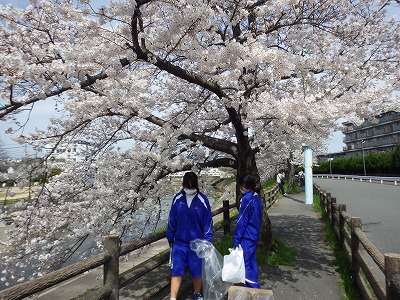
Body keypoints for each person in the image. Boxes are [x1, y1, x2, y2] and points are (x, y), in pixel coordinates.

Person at [166, 171, 214, 300]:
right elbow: (172, 220)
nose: (189, 189)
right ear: (183, 185)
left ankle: (197, 294)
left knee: (196, 271)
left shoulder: (202, 200)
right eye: (187, 186)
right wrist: (170, 236)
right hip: (179, 243)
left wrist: (207, 240)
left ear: (196, 185)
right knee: (176, 270)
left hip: (196, 244)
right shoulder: (177, 199)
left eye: (192, 186)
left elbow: (208, 222)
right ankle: (173, 297)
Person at [232, 174, 262, 289]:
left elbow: (241, 222)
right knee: (251, 262)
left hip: (247, 236)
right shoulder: (256, 198)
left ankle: (254, 289)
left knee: (245, 265)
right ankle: (253, 287)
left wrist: (236, 240)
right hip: (254, 235)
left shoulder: (247, 200)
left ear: (245, 186)